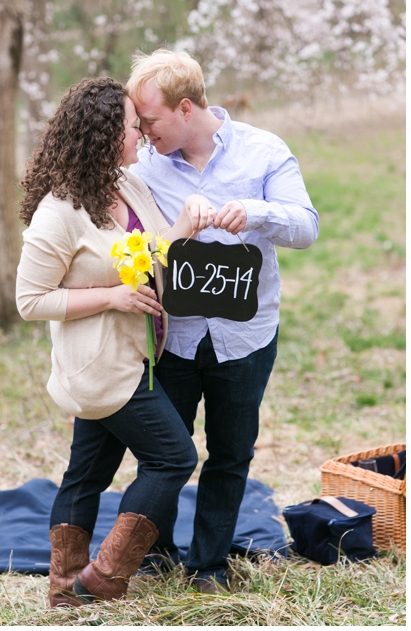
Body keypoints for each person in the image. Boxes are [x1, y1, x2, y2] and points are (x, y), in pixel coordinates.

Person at [16, 77, 217, 607]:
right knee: (174, 458)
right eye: (133, 127)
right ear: (105, 136)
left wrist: (182, 229)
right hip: (99, 367)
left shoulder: (126, 187)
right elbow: (30, 301)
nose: (142, 136)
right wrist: (111, 297)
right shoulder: (58, 214)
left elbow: (149, 253)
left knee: (87, 471)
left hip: (136, 356)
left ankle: (66, 587)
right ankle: (102, 579)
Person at [127, 49, 319, 593]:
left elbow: (306, 227)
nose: (142, 133)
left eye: (150, 120)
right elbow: (126, 244)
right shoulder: (143, 167)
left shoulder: (263, 152)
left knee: (231, 452)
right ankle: (156, 553)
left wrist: (256, 212)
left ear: (185, 108)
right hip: (175, 338)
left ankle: (207, 566)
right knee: (164, 450)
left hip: (247, 336)